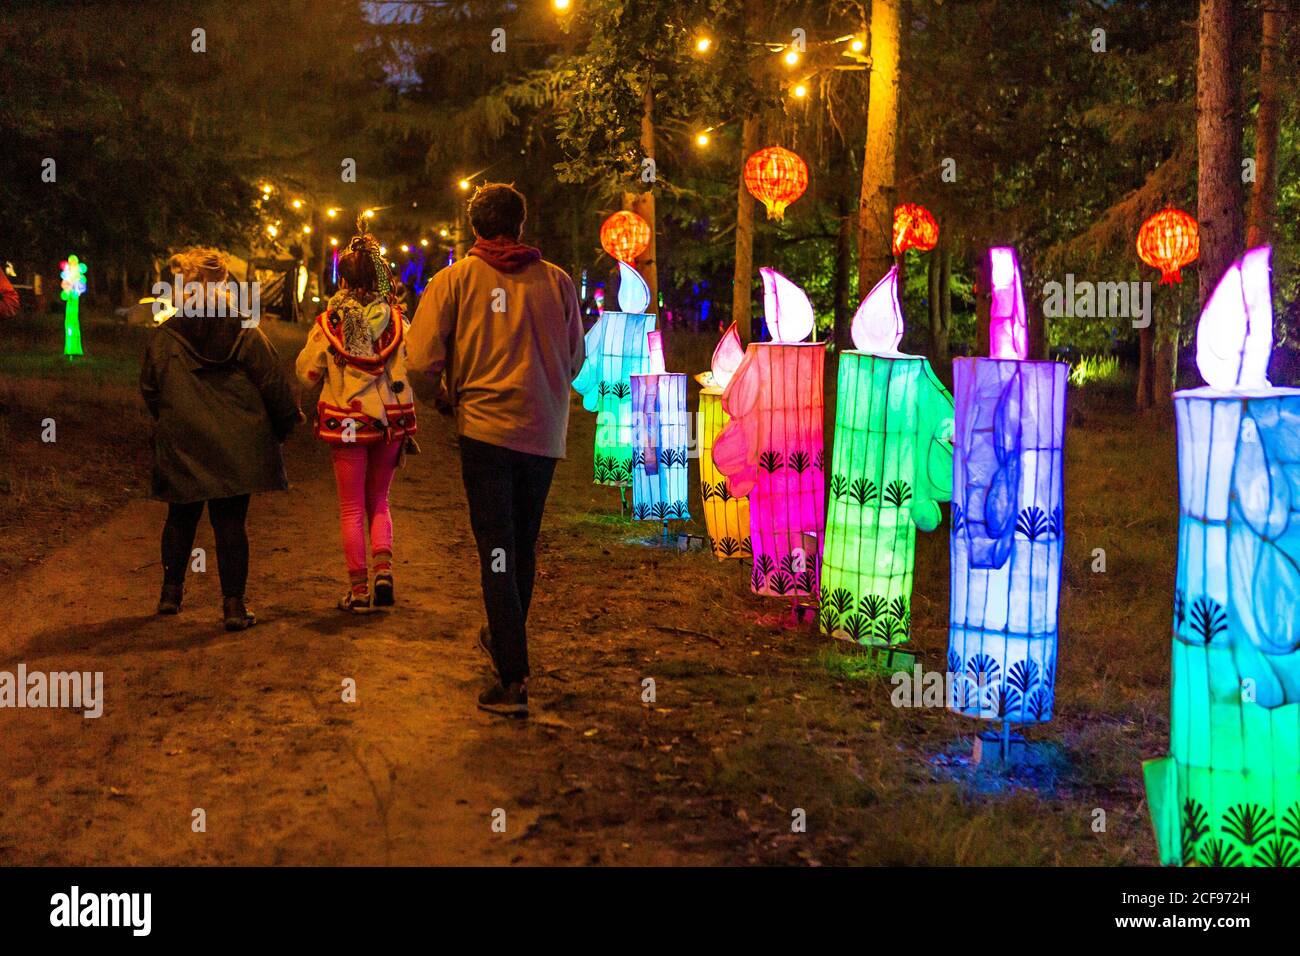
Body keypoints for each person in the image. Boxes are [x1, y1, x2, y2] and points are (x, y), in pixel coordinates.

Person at [407, 182, 584, 718]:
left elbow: (418, 363)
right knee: (520, 546)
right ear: (521, 226)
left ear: (475, 229)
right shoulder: (555, 282)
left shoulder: (455, 280)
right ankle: (504, 640)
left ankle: (512, 677)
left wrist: (440, 395)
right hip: (543, 433)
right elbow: (576, 358)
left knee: (496, 549)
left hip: (485, 431)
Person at [140, 248, 299, 629]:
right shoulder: (245, 330)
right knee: (230, 523)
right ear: (224, 284)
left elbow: (149, 388)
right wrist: (285, 425)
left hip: (184, 442)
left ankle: (170, 593)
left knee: (180, 515)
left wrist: (173, 420)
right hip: (236, 446)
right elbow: (273, 384)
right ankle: (232, 606)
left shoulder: (166, 335)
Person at [296, 232, 417, 613]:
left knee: (350, 507)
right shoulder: (398, 323)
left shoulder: (330, 323)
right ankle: (384, 573)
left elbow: (307, 375)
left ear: (343, 280)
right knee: (379, 500)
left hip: (347, 421)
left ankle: (359, 591)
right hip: (389, 424)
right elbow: (416, 364)